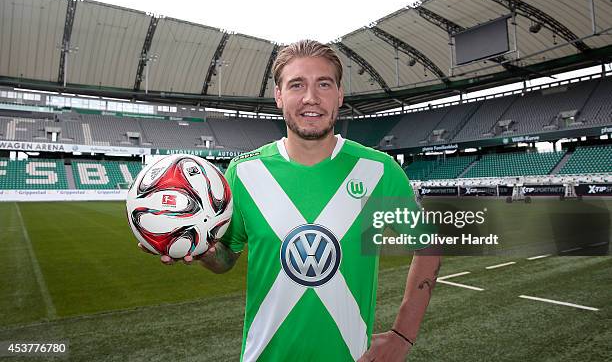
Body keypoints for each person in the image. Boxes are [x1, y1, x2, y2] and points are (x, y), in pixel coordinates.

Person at [141, 39, 441, 361]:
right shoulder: (243, 172)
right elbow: (226, 258)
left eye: (323, 84)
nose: (311, 98)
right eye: (297, 84)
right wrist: (202, 251)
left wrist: (402, 336)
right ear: (279, 95)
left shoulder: (379, 171)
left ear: (339, 95)